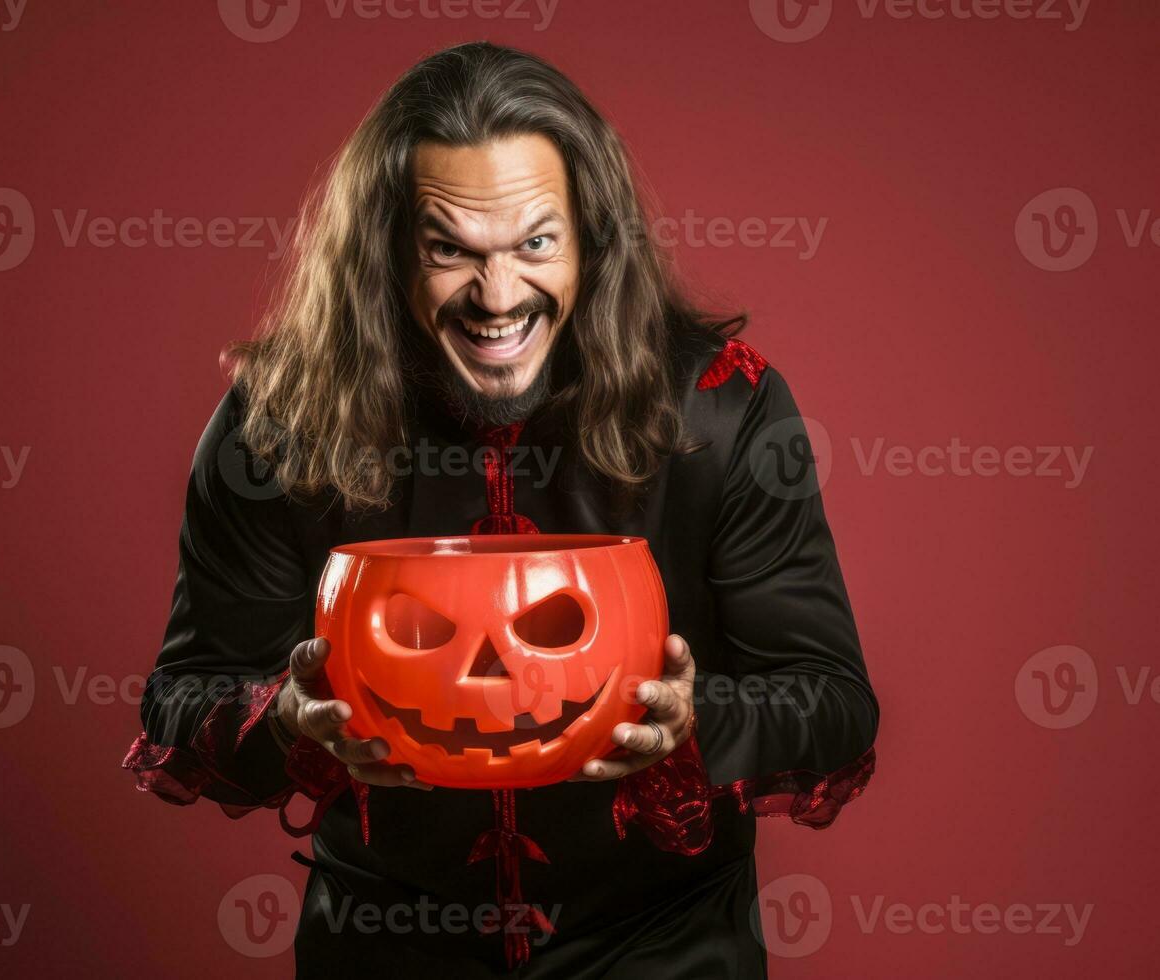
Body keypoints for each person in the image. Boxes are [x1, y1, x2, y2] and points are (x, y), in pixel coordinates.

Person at [124, 41, 878, 977]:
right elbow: (177, 697)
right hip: (384, 949)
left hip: (665, 950)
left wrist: (696, 728)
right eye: (449, 249)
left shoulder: (720, 408)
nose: (497, 296)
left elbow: (834, 704)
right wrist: (283, 723)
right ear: (385, 254)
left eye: (535, 243)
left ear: (590, 238)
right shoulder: (276, 425)